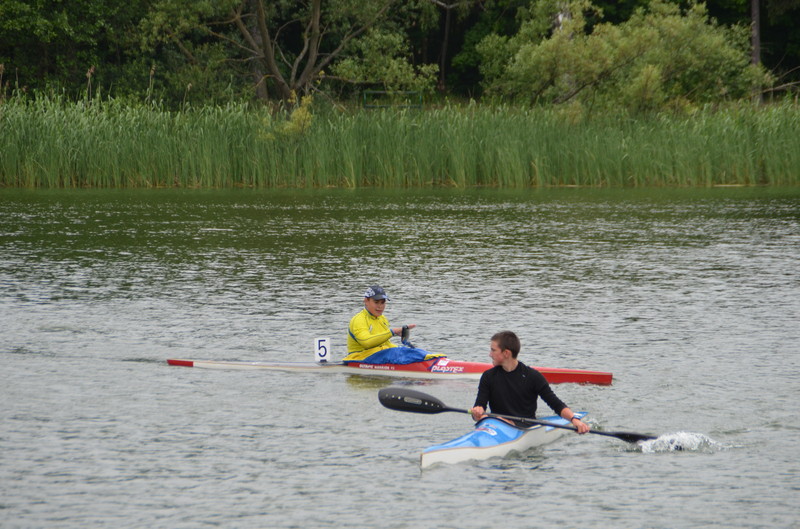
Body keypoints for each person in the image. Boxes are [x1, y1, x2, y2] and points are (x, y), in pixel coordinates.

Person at [471, 330, 590, 433]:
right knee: (484, 418)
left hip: (525, 427)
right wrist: (477, 413)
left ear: (506, 353)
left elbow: (556, 404)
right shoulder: (488, 376)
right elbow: (479, 407)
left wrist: (574, 420)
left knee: (495, 419)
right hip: (495, 426)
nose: (489, 354)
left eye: (493, 350)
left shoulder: (533, 377)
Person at [343, 285, 441, 364]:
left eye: (383, 302)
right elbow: (367, 342)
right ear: (366, 301)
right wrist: (392, 332)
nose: (380, 306)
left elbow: (386, 344)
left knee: (411, 351)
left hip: (379, 355)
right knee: (400, 352)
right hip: (359, 358)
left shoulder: (382, 319)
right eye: (376, 302)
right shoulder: (359, 320)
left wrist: (404, 349)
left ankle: (437, 360)